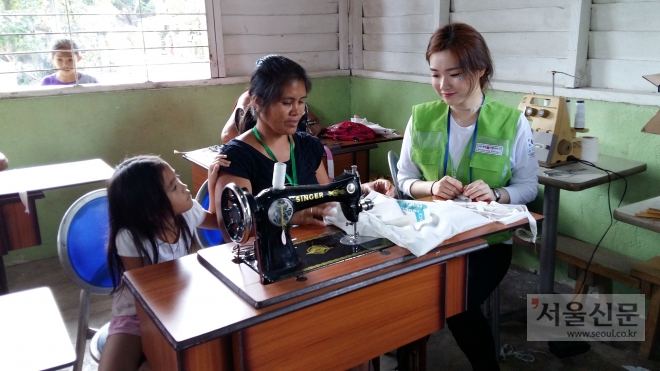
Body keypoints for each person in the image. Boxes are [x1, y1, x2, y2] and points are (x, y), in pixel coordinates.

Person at [396, 23, 539, 370]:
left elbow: (529, 187)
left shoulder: (511, 122)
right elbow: (403, 179)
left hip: (487, 244)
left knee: (455, 305)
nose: (443, 86)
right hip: (431, 235)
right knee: (406, 303)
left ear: (480, 70)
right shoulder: (422, 117)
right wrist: (429, 188)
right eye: (434, 74)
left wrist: (498, 193)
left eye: (455, 75)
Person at [98, 154, 228, 371]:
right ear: (150, 209)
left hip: (175, 307)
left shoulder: (188, 213)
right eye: (174, 187)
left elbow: (218, 222)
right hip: (135, 313)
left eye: (176, 178)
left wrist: (212, 182)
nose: (184, 186)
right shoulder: (129, 237)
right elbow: (145, 294)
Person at [221, 89, 324, 143]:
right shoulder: (249, 98)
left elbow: (316, 121)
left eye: (301, 101)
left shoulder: (293, 96)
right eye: (286, 102)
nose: (297, 111)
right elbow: (227, 135)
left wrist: (314, 127)